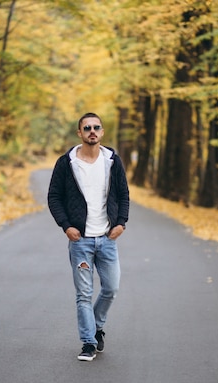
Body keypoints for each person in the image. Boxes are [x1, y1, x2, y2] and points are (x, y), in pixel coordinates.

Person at [47, 112, 130, 361]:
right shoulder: (67, 163)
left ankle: (96, 325)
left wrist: (121, 223)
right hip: (80, 240)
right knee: (83, 294)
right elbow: (54, 197)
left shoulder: (112, 161)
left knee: (111, 288)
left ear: (102, 132)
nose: (92, 131)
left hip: (107, 239)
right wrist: (65, 225)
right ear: (79, 133)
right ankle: (88, 343)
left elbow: (124, 195)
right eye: (87, 128)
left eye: (96, 127)